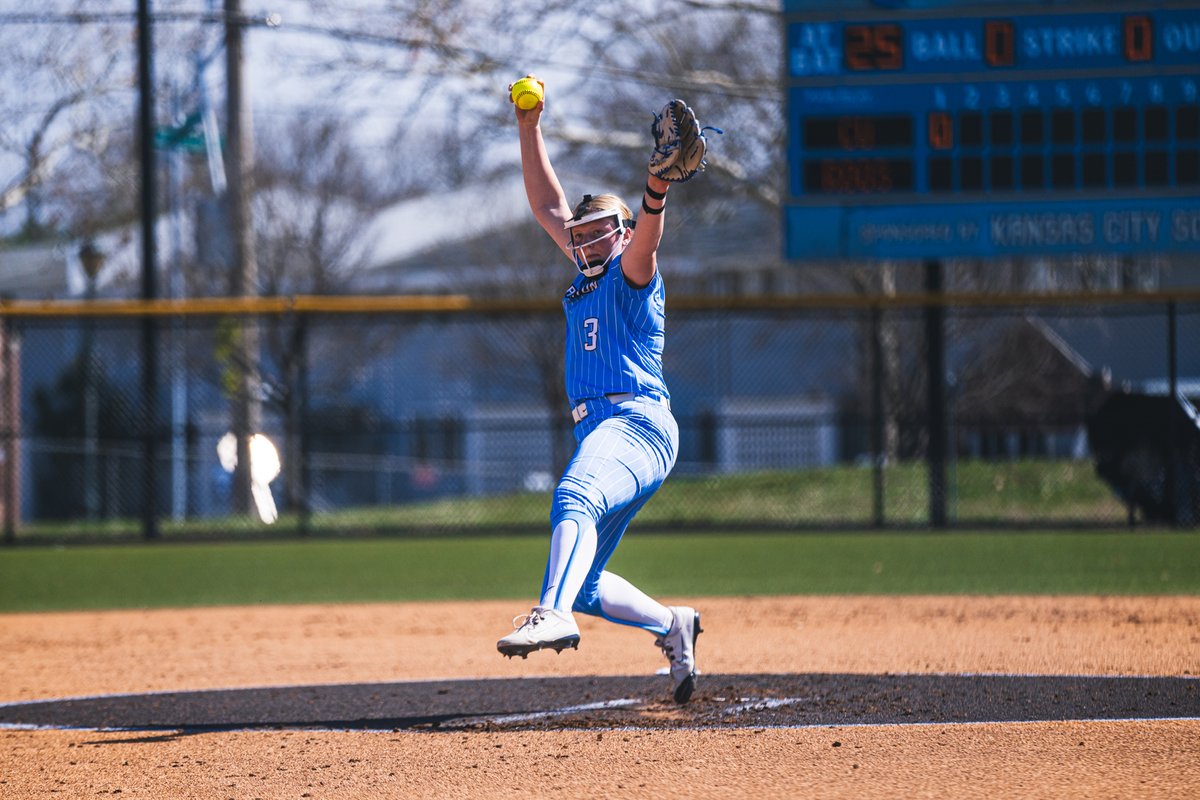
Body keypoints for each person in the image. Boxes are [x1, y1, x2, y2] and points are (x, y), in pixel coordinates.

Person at [496, 76, 703, 705]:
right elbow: (544, 205)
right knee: (585, 583)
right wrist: (529, 128)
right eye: (579, 235)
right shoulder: (587, 268)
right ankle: (673, 625)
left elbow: (647, 235)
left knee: (576, 492)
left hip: (636, 424)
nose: (584, 240)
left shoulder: (631, 268)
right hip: (605, 431)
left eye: (597, 232)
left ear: (618, 233)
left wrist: (656, 187)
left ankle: (551, 615)